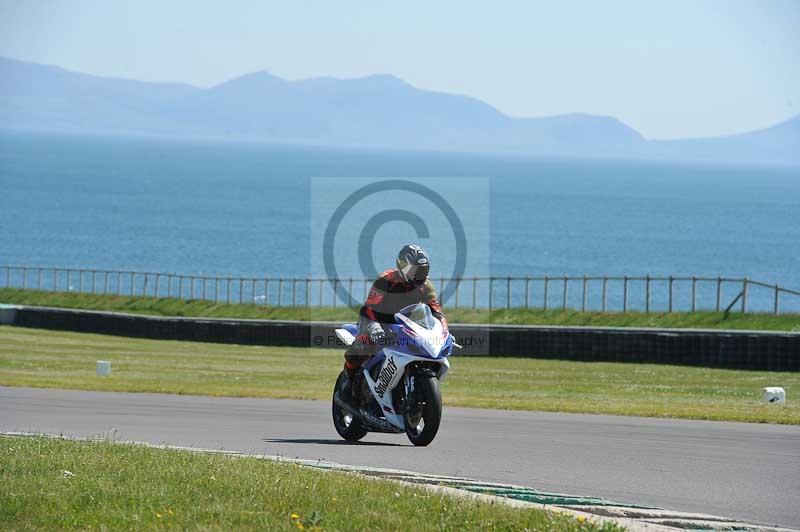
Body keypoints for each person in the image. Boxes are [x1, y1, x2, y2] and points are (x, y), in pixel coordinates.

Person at [342, 244, 448, 389]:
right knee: (363, 345)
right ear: (401, 266)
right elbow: (369, 309)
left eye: (422, 270)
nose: (418, 274)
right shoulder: (385, 280)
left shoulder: (426, 286)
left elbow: (436, 312)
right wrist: (373, 326)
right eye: (414, 270)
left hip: (404, 327)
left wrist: (443, 330)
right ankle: (348, 381)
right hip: (374, 321)